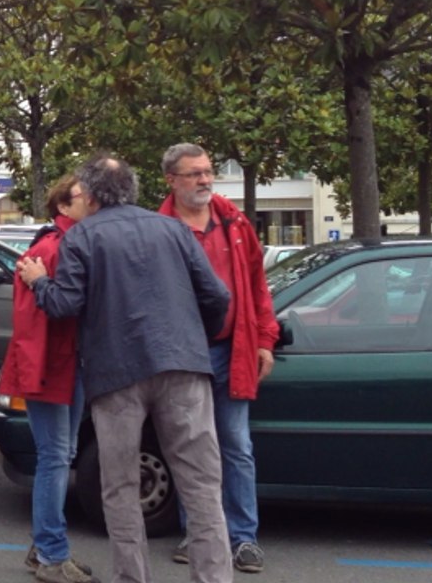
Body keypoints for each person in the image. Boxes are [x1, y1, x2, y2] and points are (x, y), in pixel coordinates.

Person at [18, 154, 232, 583]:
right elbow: (217, 296)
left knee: (119, 488)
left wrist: (39, 282)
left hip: (116, 374)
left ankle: (132, 578)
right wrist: (194, 340)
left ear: (92, 195)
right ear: (132, 190)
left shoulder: (83, 238)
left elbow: (65, 305)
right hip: (183, 365)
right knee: (202, 486)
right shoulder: (173, 229)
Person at [159, 144, 279, 574]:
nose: (206, 180)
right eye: (194, 174)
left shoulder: (236, 222)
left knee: (236, 445)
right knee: (192, 447)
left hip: (233, 349)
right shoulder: (160, 228)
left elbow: (257, 286)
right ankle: (199, 535)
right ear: (172, 180)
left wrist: (265, 340)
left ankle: (244, 537)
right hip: (184, 355)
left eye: (208, 172)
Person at [0, 176, 94, 583]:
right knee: (56, 457)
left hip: (62, 366)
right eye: (83, 195)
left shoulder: (65, 244)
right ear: (64, 206)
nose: (92, 200)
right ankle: (52, 554)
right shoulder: (54, 248)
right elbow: (40, 320)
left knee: (59, 455)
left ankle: (45, 547)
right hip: (54, 368)